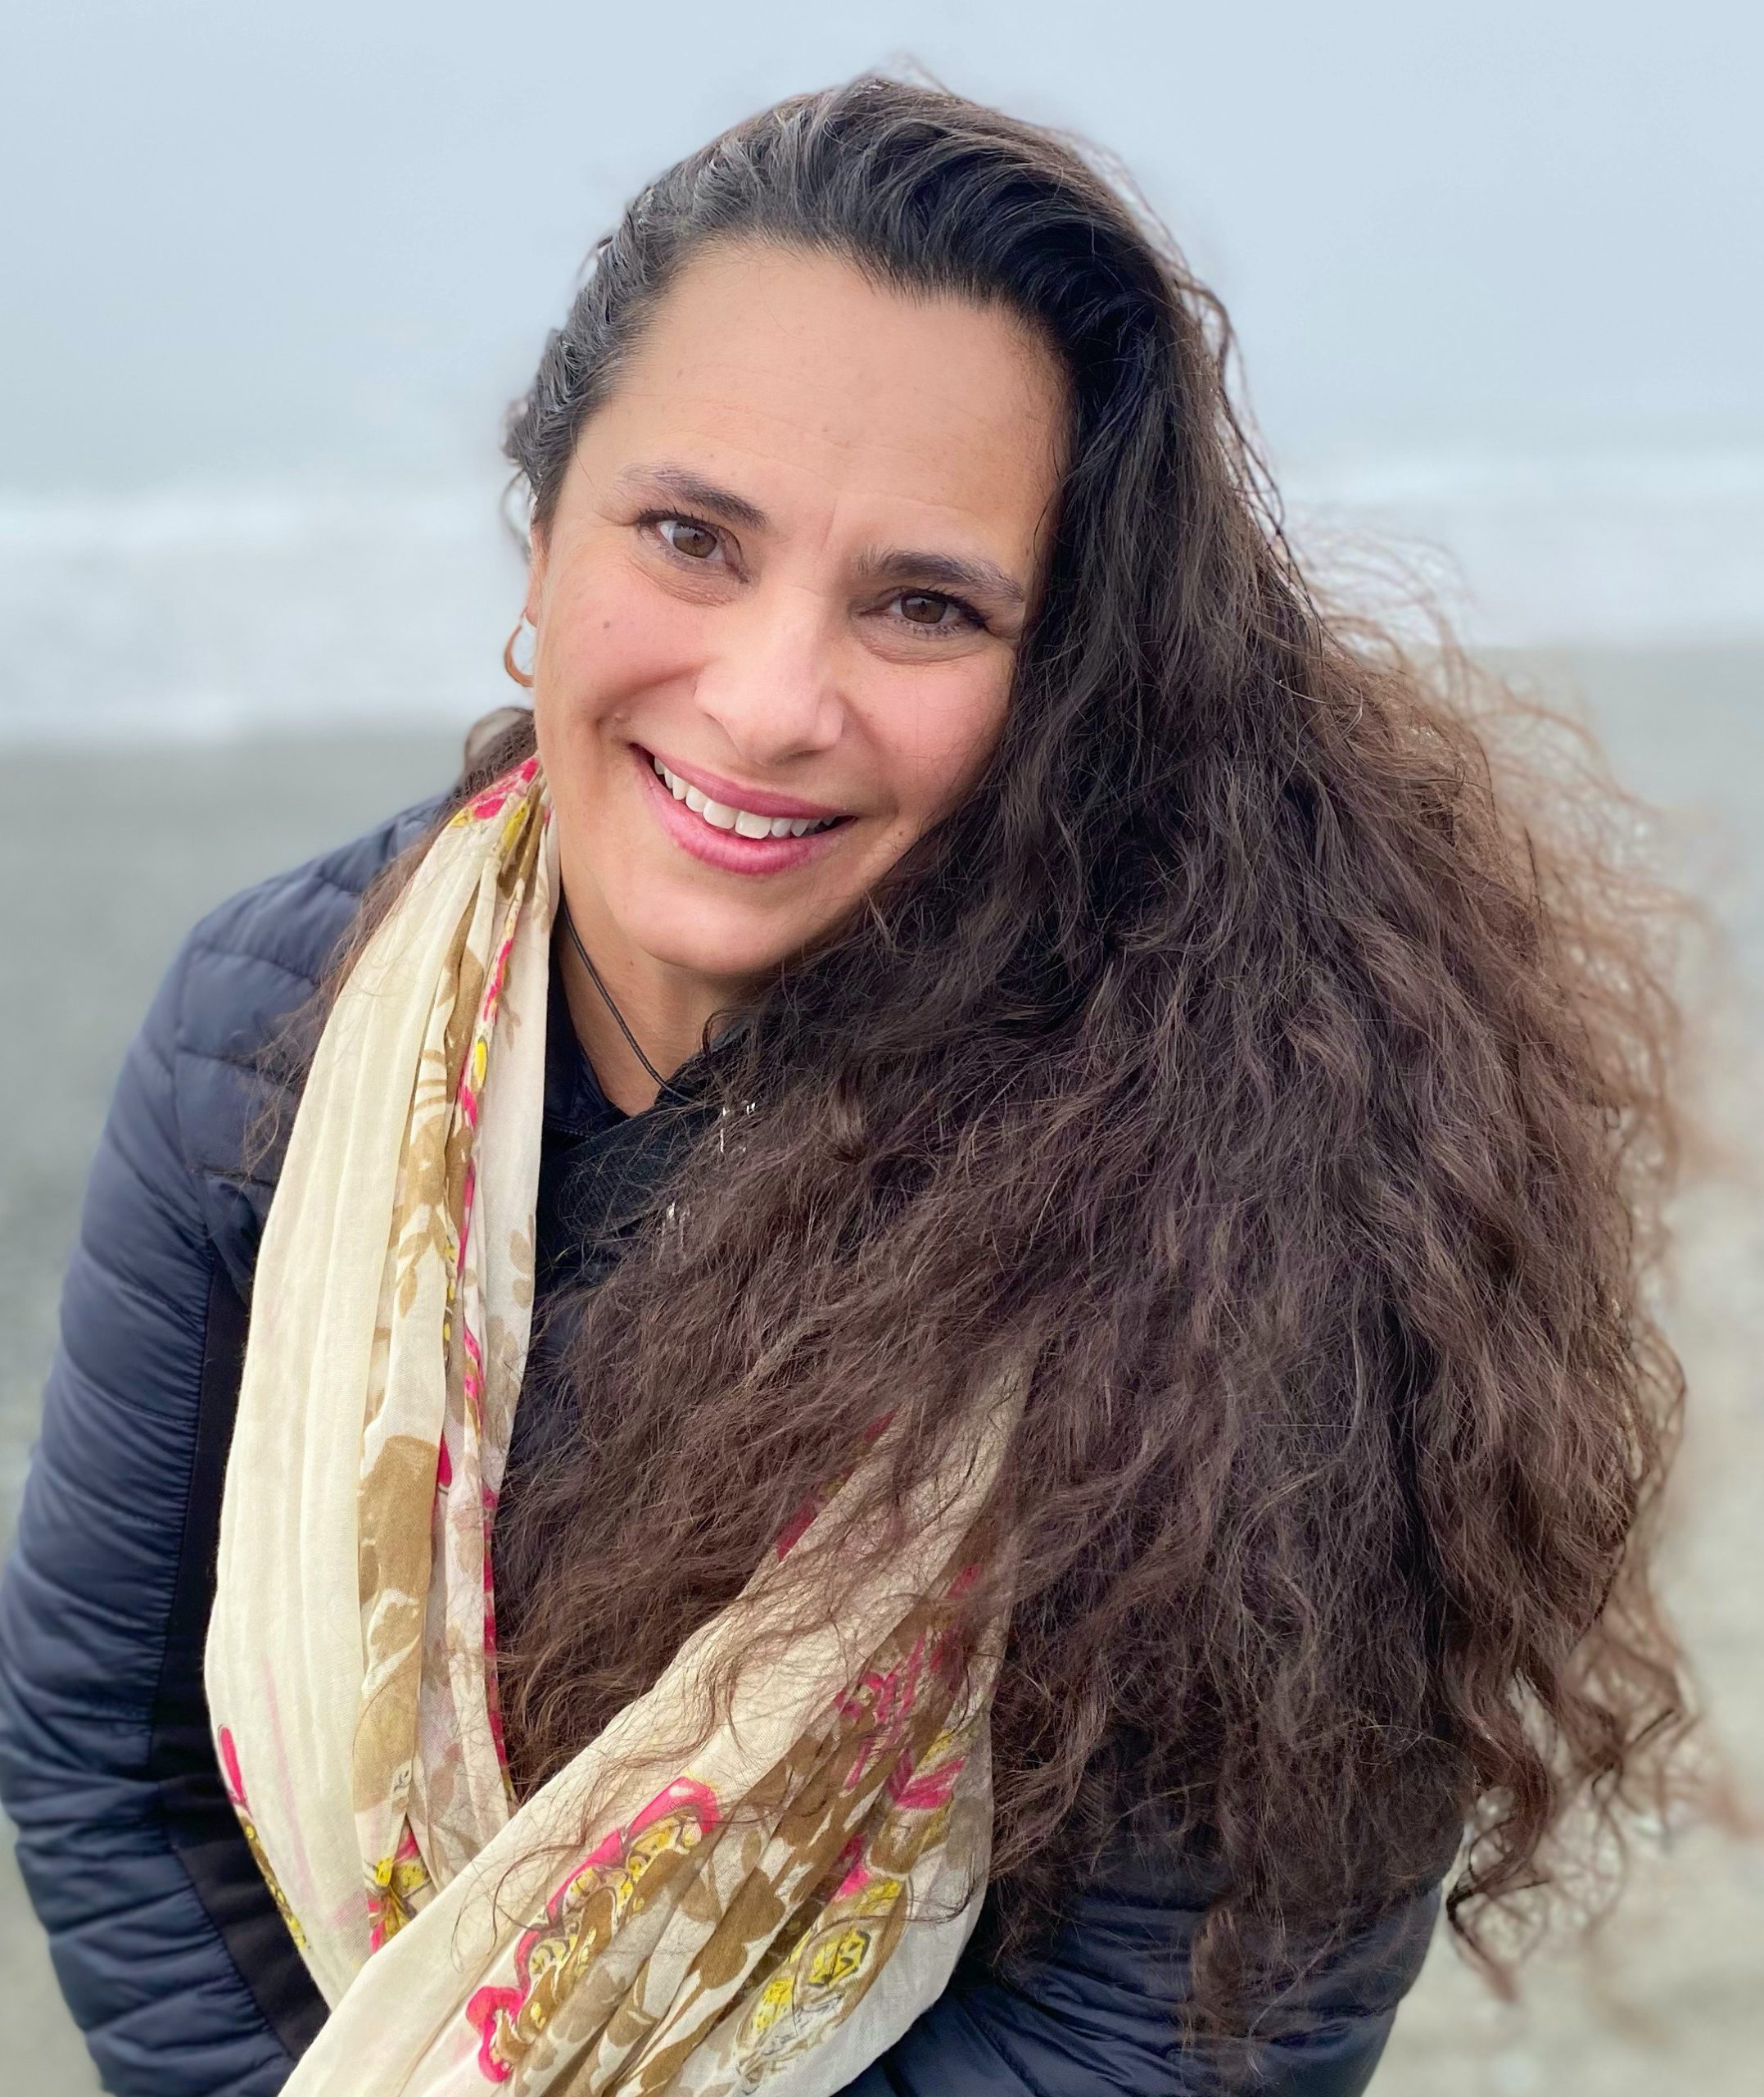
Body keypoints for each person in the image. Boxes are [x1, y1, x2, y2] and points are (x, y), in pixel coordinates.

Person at [0, 75, 1695, 2097]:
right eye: (690, 537)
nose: (770, 698)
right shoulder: (267, 1028)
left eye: (924, 604)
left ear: (1064, 669)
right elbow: (109, 1759)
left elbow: (1193, 2021)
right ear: (540, 528)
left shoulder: (1263, 1162)